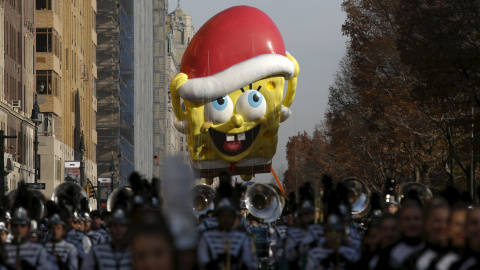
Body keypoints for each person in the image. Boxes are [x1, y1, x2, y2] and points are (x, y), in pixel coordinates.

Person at [197, 171, 257, 270]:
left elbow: (251, 263)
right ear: (218, 217)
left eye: (229, 216)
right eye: (223, 216)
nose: (226, 219)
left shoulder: (243, 238)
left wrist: (239, 264)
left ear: (233, 217)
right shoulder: (206, 237)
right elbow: (201, 261)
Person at [3, 182, 51, 269]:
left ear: (29, 227)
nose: (19, 229)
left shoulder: (38, 250)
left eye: (23, 225)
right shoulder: (4, 250)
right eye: (15, 225)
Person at [81, 190, 132, 270]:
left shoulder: (136, 253)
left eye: (122, 225)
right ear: (110, 227)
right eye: (115, 225)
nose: (118, 229)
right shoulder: (97, 252)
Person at [373, 199, 425, 270]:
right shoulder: (388, 253)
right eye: (407, 219)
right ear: (400, 223)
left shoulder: (432, 249)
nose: (412, 223)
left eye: (416, 218)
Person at [402, 197, 451, 270]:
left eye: (447, 221)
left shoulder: (460, 256)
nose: (443, 226)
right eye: (437, 221)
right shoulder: (414, 261)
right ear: (426, 223)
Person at [44, 202, 78, 270]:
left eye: (58, 228)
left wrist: (60, 263)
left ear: (63, 230)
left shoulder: (71, 248)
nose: (55, 231)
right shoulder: (43, 247)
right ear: (49, 230)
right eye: (53, 228)